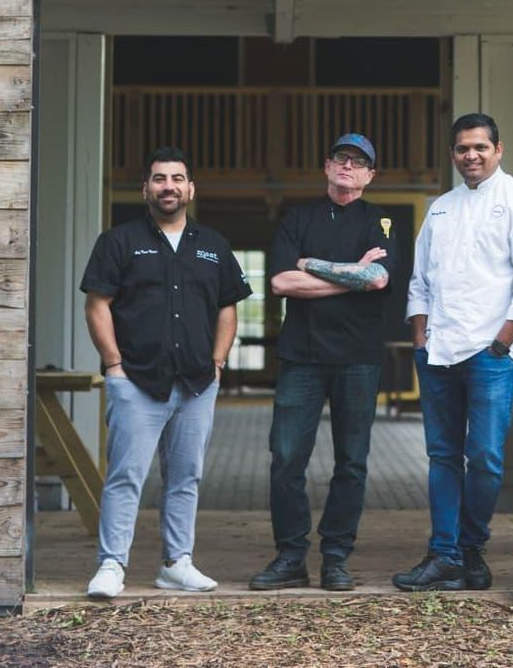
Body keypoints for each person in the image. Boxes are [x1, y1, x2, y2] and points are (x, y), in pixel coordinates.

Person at [81, 146, 252, 599]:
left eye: (177, 178)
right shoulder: (118, 242)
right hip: (137, 381)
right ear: (146, 189)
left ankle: (177, 563)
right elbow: (97, 305)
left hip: (196, 384)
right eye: (159, 178)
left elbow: (228, 308)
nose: (168, 186)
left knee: (185, 478)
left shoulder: (213, 246)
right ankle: (111, 565)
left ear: (190, 188)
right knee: (125, 476)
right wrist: (114, 366)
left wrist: (217, 363)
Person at [393, 113, 513, 591]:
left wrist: (502, 343)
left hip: (491, 354)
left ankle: (471, 547)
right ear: (453, 154)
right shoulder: (441, 209)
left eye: (480, 147)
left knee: (484, 458)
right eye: (463, 148)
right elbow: (420, 281)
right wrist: (420, 339)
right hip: (439, 352)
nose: (471, 155)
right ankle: (444, 554)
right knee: (443, 457)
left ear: (498, 150)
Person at [248, 133, 397, 592]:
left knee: (351, 462)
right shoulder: (298, 218)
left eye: (358, 162)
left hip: (358, 358)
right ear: (327, 166)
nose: (348, 166)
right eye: (341, 158)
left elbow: (378, 279)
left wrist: (310, 264)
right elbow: (280, 284)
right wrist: (351, 273)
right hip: (302, 357)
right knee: (286, 459)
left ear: (371, 175)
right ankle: (290, 556)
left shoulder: (380, 221)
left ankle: (336, 558)